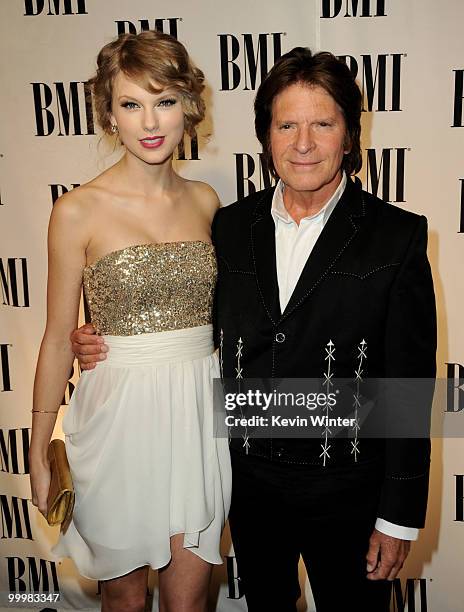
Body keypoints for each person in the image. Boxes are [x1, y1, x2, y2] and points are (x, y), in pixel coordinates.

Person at [73, 47, 436, 611]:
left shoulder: (398, 238)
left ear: (349, 133)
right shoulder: (229, 226)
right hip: (249, 489)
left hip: (351, 495)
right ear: (266, 136)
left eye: (322, 123)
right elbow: (189, 320)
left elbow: (409, 388)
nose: (304, 143)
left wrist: (399, 517)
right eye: (286, 124)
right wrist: (100, 337)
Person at [29, 30, 231, 612]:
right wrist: (39, 449)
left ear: (188, 108)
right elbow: (55, 338)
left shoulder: (206, 203)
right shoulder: (76, 210)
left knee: (189, 604)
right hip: (116, 417)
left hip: (199, 412)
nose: (150, 121)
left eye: (165, 101)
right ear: (108, 113)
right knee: (124, 601)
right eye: (131, 103)